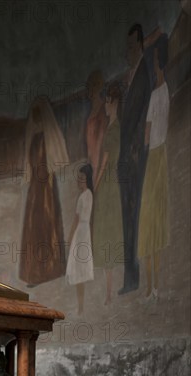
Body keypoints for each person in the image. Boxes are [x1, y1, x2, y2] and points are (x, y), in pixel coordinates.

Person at [19, 96, 70, 286]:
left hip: (46, 187)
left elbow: (51, 163)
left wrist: (45, 186)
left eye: (39, 114)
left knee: (47, 225)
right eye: (35, 115)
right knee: (33, 229)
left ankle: (51, 268)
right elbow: (30, 164)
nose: (37, 118)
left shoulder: (47, 138)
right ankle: (34, 272)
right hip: (35, 189)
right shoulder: (33, 138)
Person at [117, 23, 152, 295]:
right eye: (126, 46)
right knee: (127, 219)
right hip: (125, 160)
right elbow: (122, 121)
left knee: (135, 216)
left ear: (140, 45)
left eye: (131, 46)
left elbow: (136, 124)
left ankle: (134, 276)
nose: (127, 51)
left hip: (135, 158)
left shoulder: (143, 76)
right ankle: (129, 276)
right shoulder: (130, 78)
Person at [138, 34, 170, 299]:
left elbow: (147, 135)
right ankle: (153, 284)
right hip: (162, 157)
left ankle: (152, 285)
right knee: (154, 224)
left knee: (151, 224)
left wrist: (140, 153)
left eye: (155, 61)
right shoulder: (165, 91)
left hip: (154, 159)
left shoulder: (157, 94)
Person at [92, 82, 124, 305]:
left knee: (107, 233)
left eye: (107, 101)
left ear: (114, 103)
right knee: (107, 234)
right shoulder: (114, 125)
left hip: (108, 185)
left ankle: (109, 292)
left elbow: (103, 163)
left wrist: (95, 184)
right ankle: (108, 291)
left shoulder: (114, 128)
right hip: (112, 185)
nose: (105, 104)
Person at [66, 164, 94, 315]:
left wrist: (70, 237)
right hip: (85, 231)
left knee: (79, 268)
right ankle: (80, 305)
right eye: (79, 178)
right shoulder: (87, 195)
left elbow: (77, 219)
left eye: (82, 179)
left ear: (87, 179)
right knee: (79, 269)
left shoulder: (85, 195)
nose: (79, 181)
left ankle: (81, 306)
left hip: (81, 232)